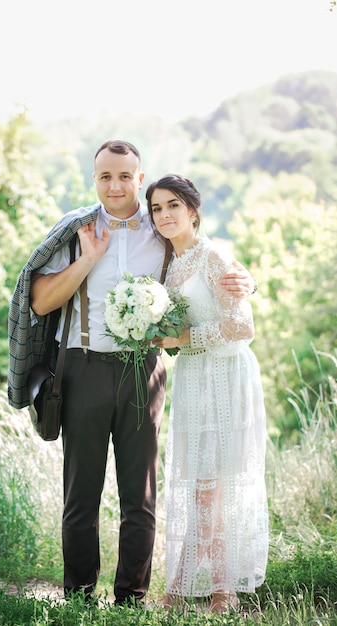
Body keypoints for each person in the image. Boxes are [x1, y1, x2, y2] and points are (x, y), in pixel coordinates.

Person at [7, 142, 256, 606]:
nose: (115, 185)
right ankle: (79, 598)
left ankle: (131, 599)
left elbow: (202, 259)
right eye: (105, 176)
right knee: (80, 494)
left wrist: (247, 281)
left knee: (139, 497)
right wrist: (87, 259)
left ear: (139, 180)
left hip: (143, 373)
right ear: (95, 178)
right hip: (81, 369)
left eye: (125, 176)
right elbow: (39, 301)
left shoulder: (160, 228)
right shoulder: (75, 230)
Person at [146, 174, 268, 613]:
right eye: (157, 208)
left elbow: (243, 326)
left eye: (173, 205)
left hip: (226, 375)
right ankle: (183, 584)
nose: (164, 215)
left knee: (211, 486)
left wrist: (184, 339)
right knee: (198, 481)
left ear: (193, 211)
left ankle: (220, 590)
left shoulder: (214, 255)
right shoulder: (169, 264)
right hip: (194, 379)